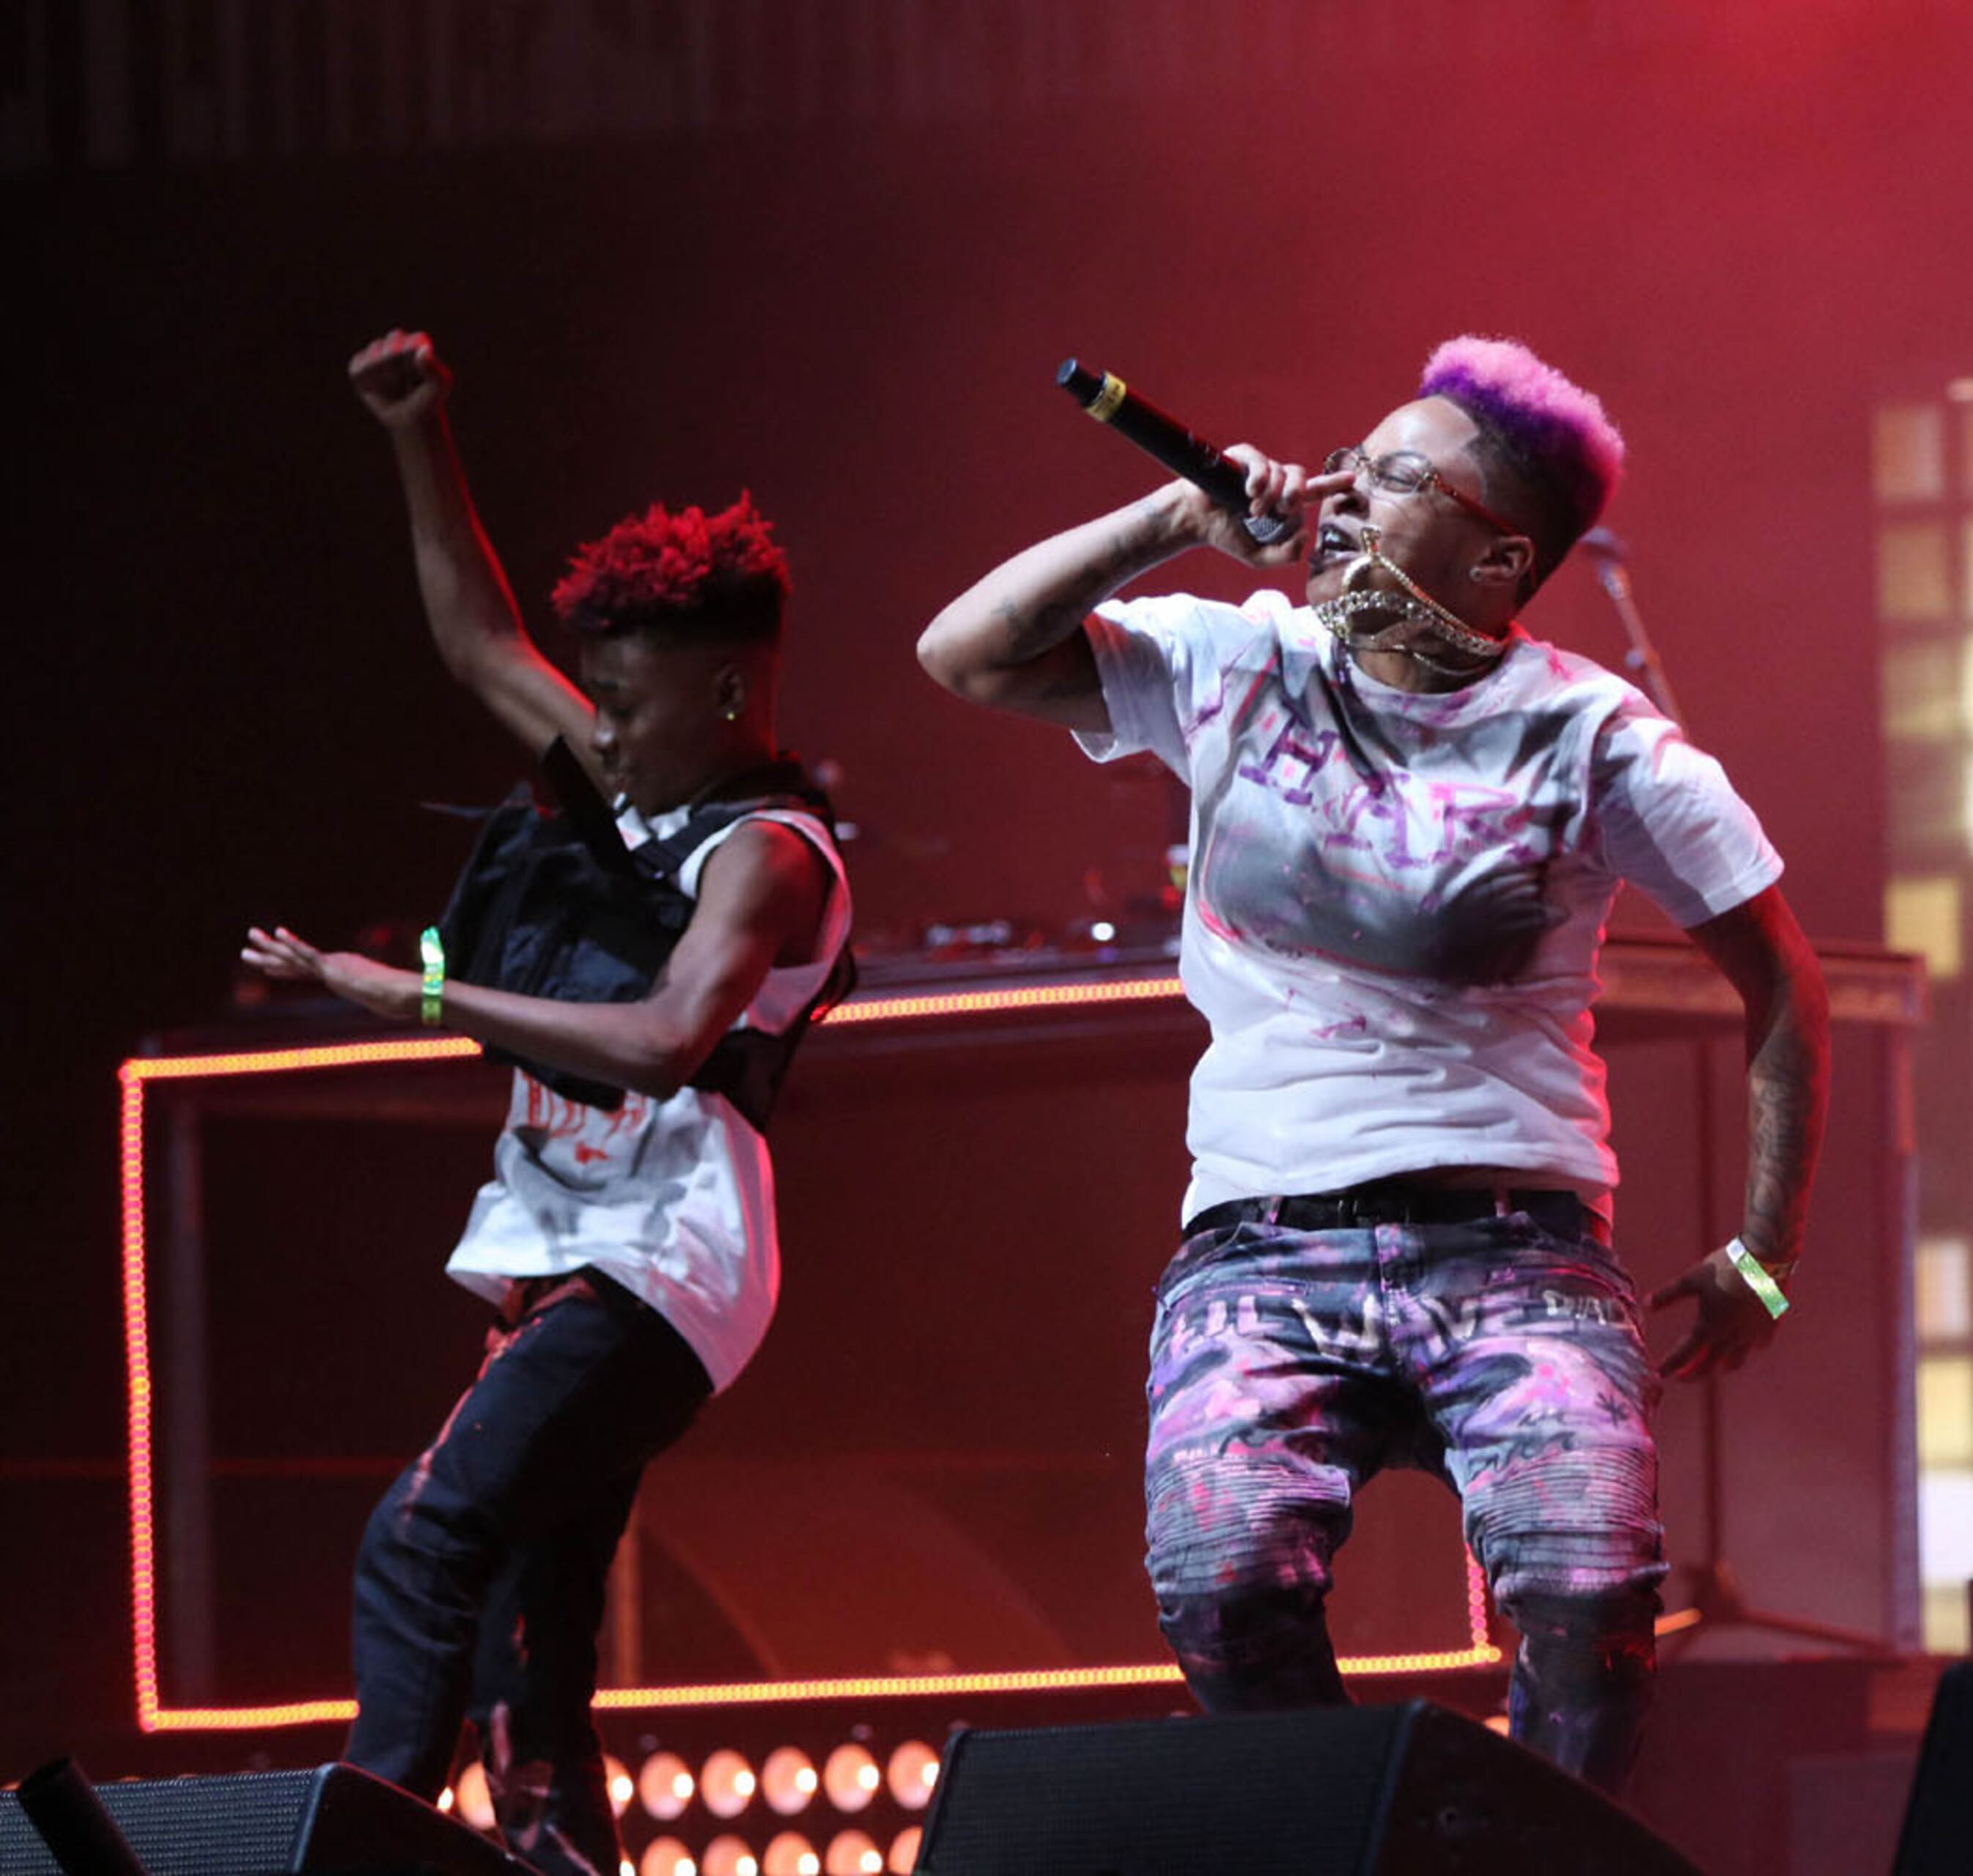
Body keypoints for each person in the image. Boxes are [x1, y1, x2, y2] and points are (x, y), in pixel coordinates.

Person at [915, 336, 1829, 1792]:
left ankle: (1538, 1850)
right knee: (1219, 1582)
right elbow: (965, 653)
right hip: (1261, 1240)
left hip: (1516, 1242)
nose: (1338, 492)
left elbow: (1781, 978)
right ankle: (1351, 1832)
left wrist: (1764, 1256)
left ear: (1499, 556)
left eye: (1394, 479)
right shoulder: (1238, 659)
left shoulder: (1592, 737)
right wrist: (1175, 518)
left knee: (1590, 1593)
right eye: (1348, 461)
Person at [241, 330, 851, 1876]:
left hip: (666, 1260)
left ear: (728, 690)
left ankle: (362, 1852)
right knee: (528, 1621)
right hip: (567, 1245)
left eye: (628, 703)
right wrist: (417, 430)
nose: (602, 727)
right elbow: (475, 642)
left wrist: (423, 998)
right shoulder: (628, 781)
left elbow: (663, 1040)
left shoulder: (770, 852)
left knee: (425, 1530)